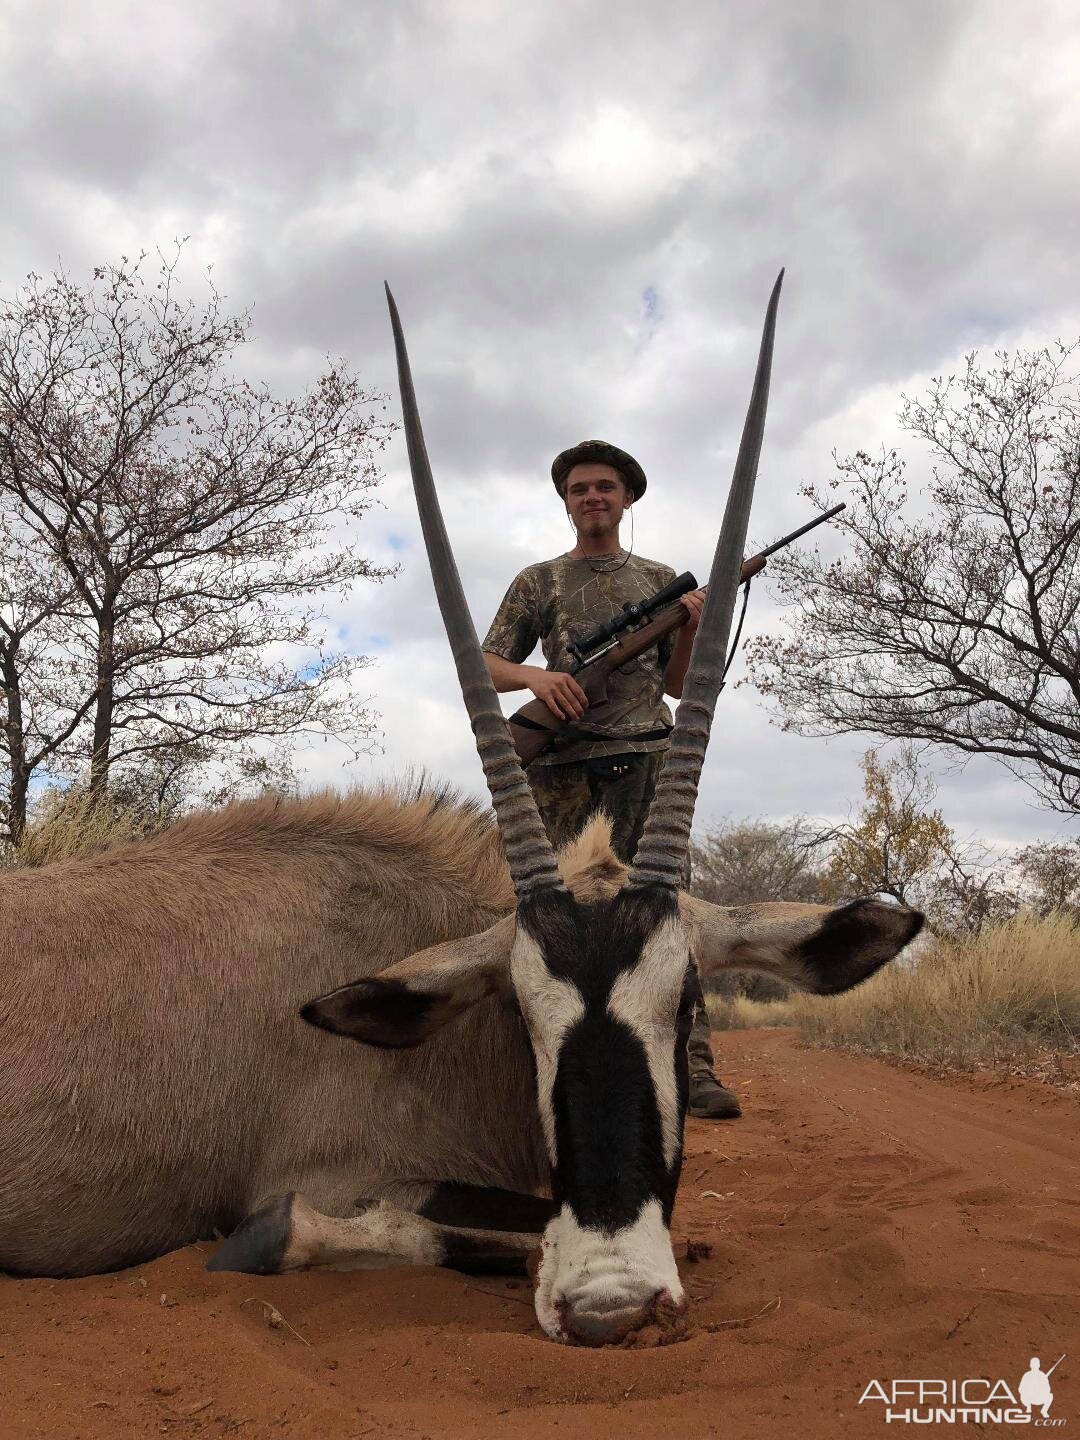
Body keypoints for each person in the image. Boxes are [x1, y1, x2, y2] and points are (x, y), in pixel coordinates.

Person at [481, 438, 741, 1120]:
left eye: (604, 487)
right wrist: (537, 677)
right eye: (579, 489)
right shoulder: (537, 582)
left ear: (627, 499)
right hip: (560, 769)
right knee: (551, 917)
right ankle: (542, 1069)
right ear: (567, 502)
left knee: (661, 911)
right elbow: (484, 665)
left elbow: (681, 688)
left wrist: (688, 627)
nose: (592, 497)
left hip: (647, 763)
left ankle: (694, 1070)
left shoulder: (661, 581)